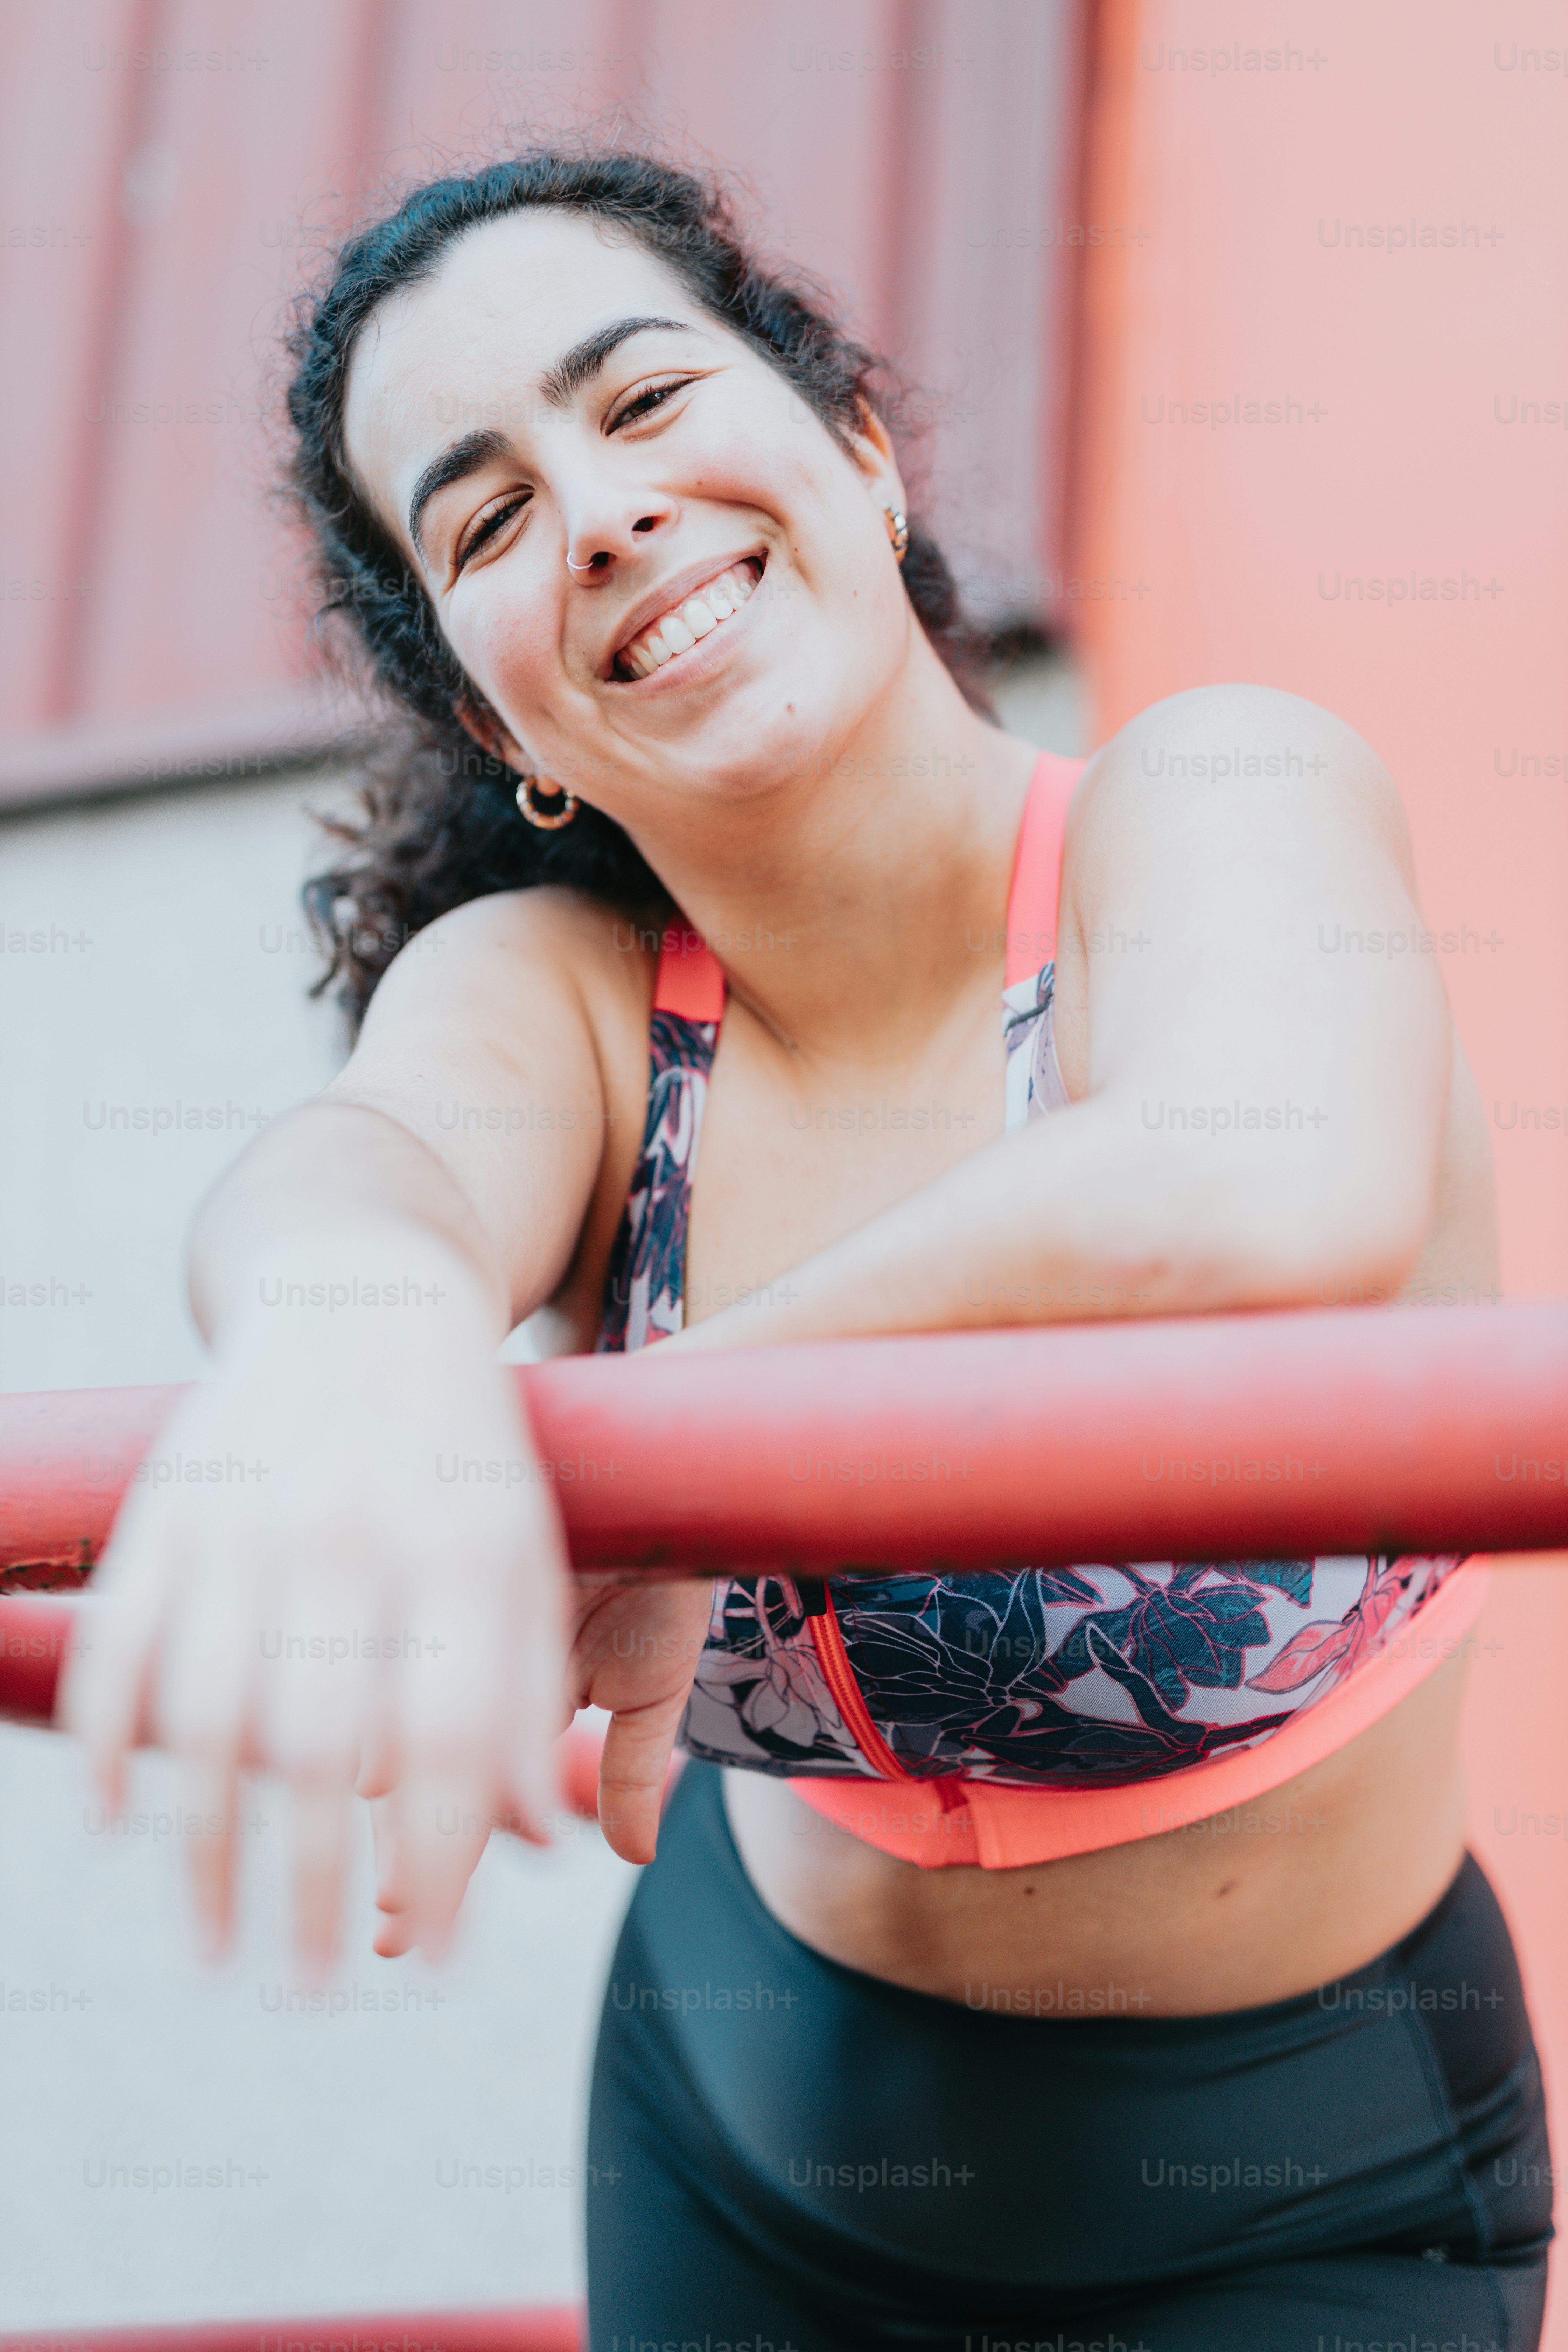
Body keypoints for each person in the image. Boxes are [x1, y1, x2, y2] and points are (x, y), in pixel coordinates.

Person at [61, 151, 1552, 2350]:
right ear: (498, 721)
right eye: (483, 517)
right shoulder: (562, 990)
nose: (599, 511)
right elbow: (362, 1167)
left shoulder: (1208, 803)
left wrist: (666, 1445)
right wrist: (345, 1335)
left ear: (856, 446)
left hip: (1302, 2201)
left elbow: (1258, 1189)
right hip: (739, 2146)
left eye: (643, 402)